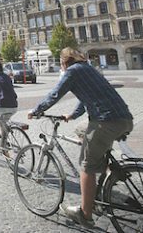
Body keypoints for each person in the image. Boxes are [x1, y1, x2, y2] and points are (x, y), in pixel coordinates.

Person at [28, 48, 133, 228]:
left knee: (86, 165)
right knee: (81, 130)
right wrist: (72, 115)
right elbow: (85, 99)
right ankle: (108, 174)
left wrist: (36, 110)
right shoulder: (90, 69)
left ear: (64, 62)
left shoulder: (72, 71)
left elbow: (55, 94)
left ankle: (85, 214)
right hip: (125, 119)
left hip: (105, 121)